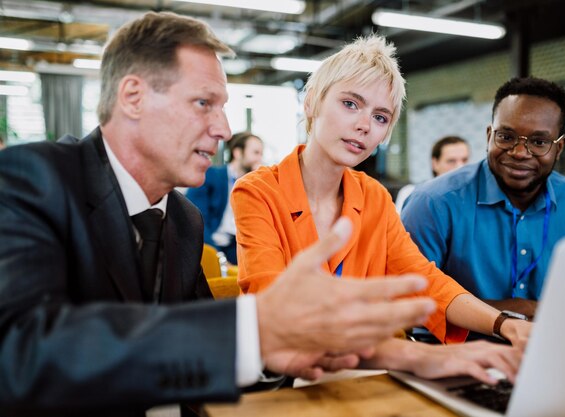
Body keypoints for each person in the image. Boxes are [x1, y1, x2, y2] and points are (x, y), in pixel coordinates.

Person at [0, 12, 443, 416]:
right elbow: (20, 354)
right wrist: (255, 331)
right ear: (133, 97)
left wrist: (269, 356)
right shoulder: (33, 179)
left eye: (224, 107)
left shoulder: (182, 221)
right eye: (203, 103)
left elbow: (206, 357)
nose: (224, 129)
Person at [232, 35, 528, 385]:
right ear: (311, 102)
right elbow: (278, 314)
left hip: (360, 373)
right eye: (350, 104)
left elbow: (425, 280)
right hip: (283, 380)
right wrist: (421, 356)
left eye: (381, 117)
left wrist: (505, 324)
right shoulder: (257, 191)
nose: (365, 125)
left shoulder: (373, 196)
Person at [402, 76, 565, 320]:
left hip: (549, 349)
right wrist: (522, 310)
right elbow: (411, 302)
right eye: (506, 137)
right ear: (489, 136)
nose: (519, 153)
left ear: (559, 148)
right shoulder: (433, 203)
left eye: (539, 142)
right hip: (453, 351)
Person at [187, 131, 264, 264]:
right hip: (210, 245)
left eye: (261, 154)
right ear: (238, 153)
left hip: (235, 246)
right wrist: (218, 257)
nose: (260, 159)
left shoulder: (254, 184)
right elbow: (196, 221)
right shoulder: (210, 176)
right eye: (256, 153)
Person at [395, 135, 470, 213]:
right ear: (435, 163)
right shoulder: (411, 193)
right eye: (451, 161)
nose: (460, 167)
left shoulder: (473, 196)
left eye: (464, 160)